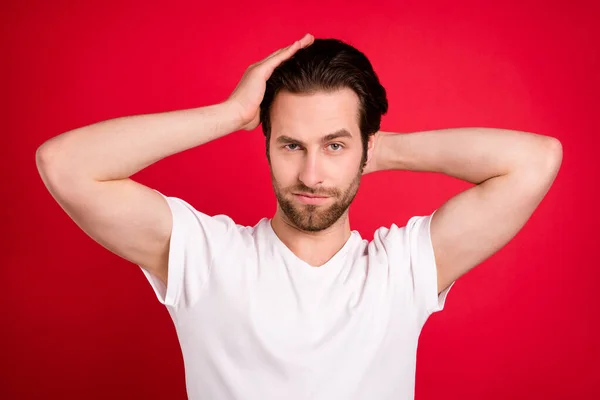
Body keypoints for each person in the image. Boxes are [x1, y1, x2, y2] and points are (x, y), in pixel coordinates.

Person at [35, 33, 562, 399]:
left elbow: (535, 160)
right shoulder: (206, 257)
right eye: (291, 145)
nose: (311, 175)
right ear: (266, 144)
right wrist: (231, 114)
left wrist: (380, 150)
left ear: (364, 148)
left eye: (334, 146)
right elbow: (65, 165)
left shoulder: (402, 270)